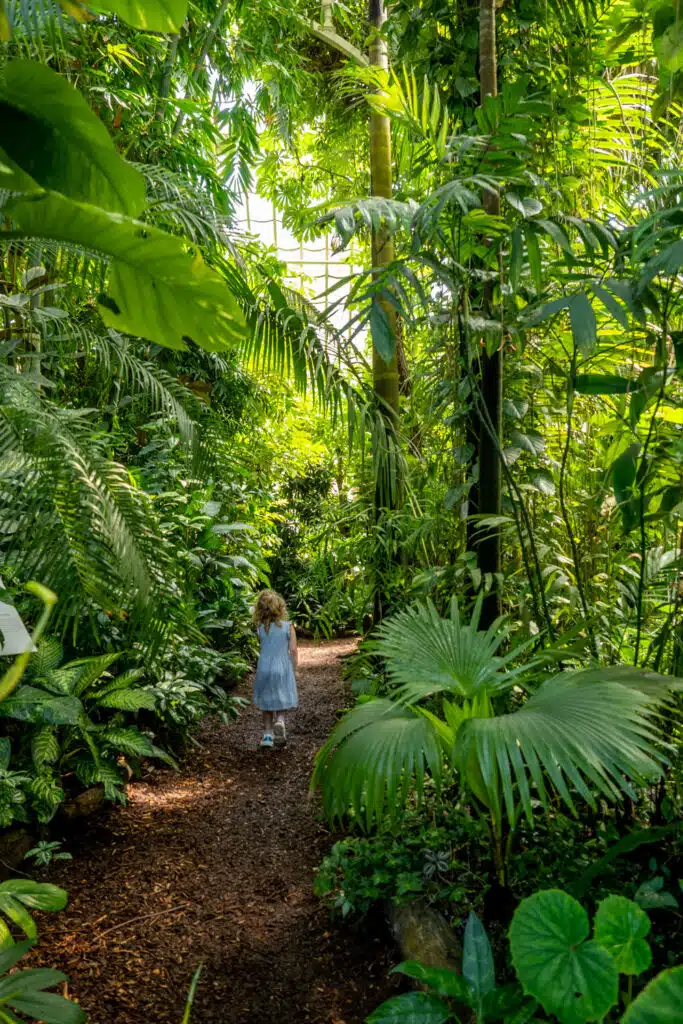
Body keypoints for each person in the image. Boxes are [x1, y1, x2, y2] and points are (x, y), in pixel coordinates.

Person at [252, 589, 298, 748]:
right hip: (282, 667)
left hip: (264, 668)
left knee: (266, 702)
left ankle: (267, 736)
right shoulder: (288, 627)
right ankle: (280, 721)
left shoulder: (260, 628)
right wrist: (294, 667)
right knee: (282, 696)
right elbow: (293, 649)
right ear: (280, 607)